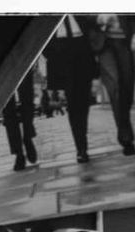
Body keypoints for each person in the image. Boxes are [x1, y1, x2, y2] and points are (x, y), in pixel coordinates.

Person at [44, 16, 97, 163]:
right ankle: (81, 148)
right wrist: (53, 54)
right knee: (73, 103)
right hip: (61, 52)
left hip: (82, 50)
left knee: (84, 101)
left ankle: (82, 140)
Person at [86, 13, 135, 154]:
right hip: (103, 44)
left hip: (125, 40)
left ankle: (124, 128)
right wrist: (99, 18)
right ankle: (126, 139)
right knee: (116, 86)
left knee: (127, 88)